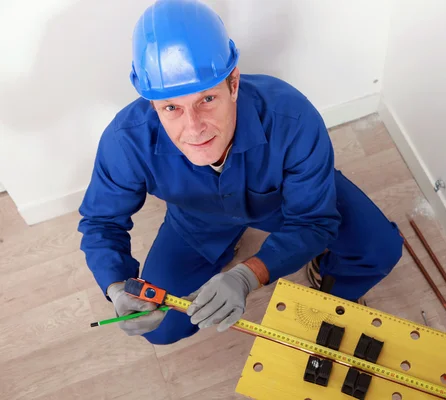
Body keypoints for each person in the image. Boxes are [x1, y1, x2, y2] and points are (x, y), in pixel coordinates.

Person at [78, 0, 403, 345]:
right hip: (197, 220)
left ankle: (328, 276)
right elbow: (102, 223)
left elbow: (313, 220)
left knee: (378, 249)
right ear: (152, 103)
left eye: (206, 100)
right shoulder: (126, 140)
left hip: (284, 203)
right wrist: (116, 286)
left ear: (233, 83)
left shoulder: (292, 119)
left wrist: (249, 274)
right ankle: (222, 247)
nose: (194, 128)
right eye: (171, 107)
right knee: (162, 327)